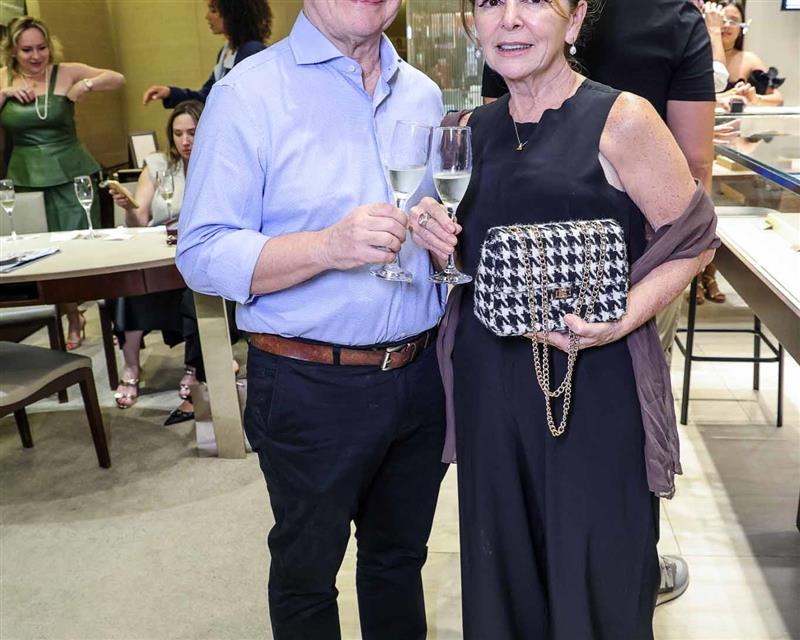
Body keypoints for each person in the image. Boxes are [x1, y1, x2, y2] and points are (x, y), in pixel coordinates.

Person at [409, 0, 717, 636]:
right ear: (472, 24)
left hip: (592, 386)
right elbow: (469, 253)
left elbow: (694, 241)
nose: (509, 19)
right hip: (490, 390)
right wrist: (434, 236)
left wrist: (621, 318)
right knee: (504, 577)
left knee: (593, 578)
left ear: (575, 20)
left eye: (533, 1)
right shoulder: (466, 130)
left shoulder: (623, 120)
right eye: (489, 3)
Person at [176, 2, 448, 638]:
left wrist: (441, 240)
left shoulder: (423, 93)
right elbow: (201, 252)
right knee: (307, 576)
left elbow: (431, 224)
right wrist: (328, 246)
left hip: (420, 374)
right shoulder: (247, 93)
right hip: (310, 384)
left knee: (399, 562)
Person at [0, 16, 125, 349]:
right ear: (13, 50)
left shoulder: (65, 71)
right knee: (42, 254)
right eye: (27, 50)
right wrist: (6, 93)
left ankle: (113, 320)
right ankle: (72, 315)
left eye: (41, 48)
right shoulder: (4, 77)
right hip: (26, 177)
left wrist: (87, 85)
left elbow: (117, 78)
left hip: (71, 172)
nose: (36, 56)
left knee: (78, 249)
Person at [109, 100, 214, 425]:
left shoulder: (217, 161)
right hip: (159, 249)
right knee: (129, 284)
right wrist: (129, 207)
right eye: (178, 133)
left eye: (192, 132)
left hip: (197, 252)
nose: (185, 141)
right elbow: (139, 221)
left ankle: (194, 367)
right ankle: (131, 367)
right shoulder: (158, 164)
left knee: (196, 290)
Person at [142, 0, 271, 108]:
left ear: (233, 15)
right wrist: (170, 93)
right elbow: (208, 97)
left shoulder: (251, 51)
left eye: (213, 11)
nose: (207, 16)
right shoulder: (226, 51)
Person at [716, 0, 785, 108]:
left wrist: (755, 98)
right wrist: (724, 96)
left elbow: (778, 100)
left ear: (741, 28)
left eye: (733, 21)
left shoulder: (749, 60)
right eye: (722, 20)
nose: (727, 25)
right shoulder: (696, 57)